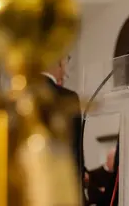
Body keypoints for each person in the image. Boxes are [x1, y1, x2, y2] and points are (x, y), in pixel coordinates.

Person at [40, 56, 85, 202]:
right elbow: (74, 152)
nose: (65, 73)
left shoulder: (18, 98)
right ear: (57, 63)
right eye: (65, 63)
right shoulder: (67, 98)